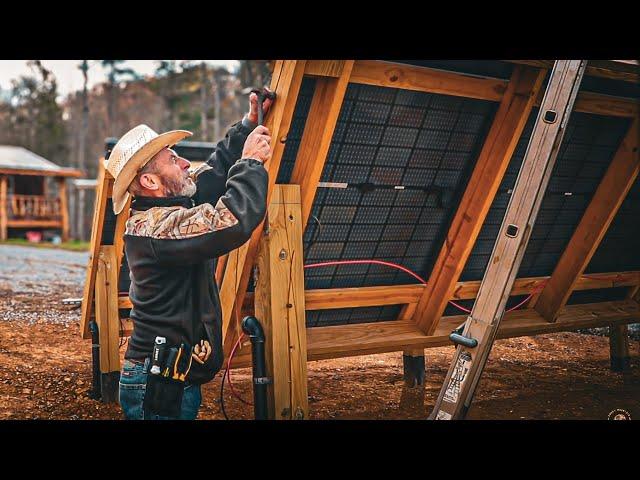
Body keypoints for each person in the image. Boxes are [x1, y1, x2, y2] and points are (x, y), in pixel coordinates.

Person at [105, 90, 273, 419]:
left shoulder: (169, 209)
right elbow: (234, 220)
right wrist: (251, 163)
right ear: (150, 180)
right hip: (158, 387)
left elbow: (210, 178)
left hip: (170, 378)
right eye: (172, 159)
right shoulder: (157, 229)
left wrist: (245, 128)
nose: (185, 163)